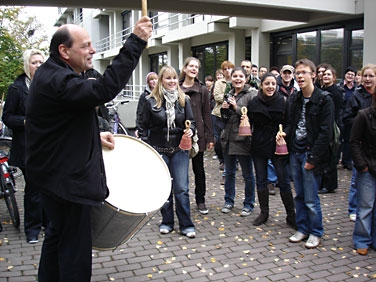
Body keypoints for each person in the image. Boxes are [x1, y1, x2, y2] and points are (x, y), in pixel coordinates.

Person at [25, 18, 152, 282]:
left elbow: (59, 125)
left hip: (50, 178)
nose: (92, 50)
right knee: (75, 251)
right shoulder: (60, 80)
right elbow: (105, 88)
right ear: (64, 51)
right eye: (85, 46)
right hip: (66, 185)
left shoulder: (50, 74)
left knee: (57, 236)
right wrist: (136, 41)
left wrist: (94, 134)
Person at [277, 58, 334, 249]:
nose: (300, 76)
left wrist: (313, 158)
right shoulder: (295, 98)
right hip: (295, 152)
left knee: (311, 197)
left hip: (311, 154)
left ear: (313, 74)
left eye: (303, 72)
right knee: (299, 194)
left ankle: (316, 232)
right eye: (297, 73)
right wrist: (284, 132)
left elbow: (326, 133)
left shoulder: (324, 99)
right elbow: (292, 124)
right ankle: (302, 228)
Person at [138, 65, 196, 238]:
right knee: (165, 189)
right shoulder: (150, 100)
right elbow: (142, 126)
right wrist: (147, 146)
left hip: (179, 149)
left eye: (173, 78)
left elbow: (190, 121)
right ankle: (167, 222)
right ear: (161, 80)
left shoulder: (184, 99)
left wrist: (191, 130)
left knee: (181, 188)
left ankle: (186, 224)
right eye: (167, 78)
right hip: (159, 149)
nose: (171, 81)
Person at [2, 49, 47, 244]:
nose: (38, 65)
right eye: (34, 62)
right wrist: (25, 122)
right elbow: (7, 117)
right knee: (35, 188)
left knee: (49, 187)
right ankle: (32, 229)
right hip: (28, 147)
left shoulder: (49, 86)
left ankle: (47, 222)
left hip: (49, 146)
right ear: (26, 65)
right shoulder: (17, 88)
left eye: (41, 62)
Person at [247, 72, 296, 228]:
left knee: (283, 180)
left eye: (273, 84)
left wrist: (285, 133)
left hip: (278, 145)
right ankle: (264, 213)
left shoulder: (284, 101)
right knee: (261, 179)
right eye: (267, 84)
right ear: (261, 85)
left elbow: (289, 123)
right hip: (259, 144)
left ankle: (291, 214)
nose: (270, 87)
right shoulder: (254, 102)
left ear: (277, 85)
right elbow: (247, 122)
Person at [179, 57, 214, 214]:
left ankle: (201, 200)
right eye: (191, 66)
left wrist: (210, 137)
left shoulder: (203, 90)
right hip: (181, 134)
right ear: (185, 68)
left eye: (196, 67)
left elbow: (207, 114)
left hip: (198, 134)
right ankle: (182, 200)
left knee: (199, 170)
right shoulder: (177, 88)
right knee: (181, 170)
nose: (193, 69)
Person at [220, 67, 257, 216]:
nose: (237, 79)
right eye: (235, 76)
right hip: (228, 138)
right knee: (229, 172)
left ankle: (249, 203)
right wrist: (224, 109)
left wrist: (236, 107)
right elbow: (225, 118)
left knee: (247, 174)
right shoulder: (228, 94)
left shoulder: (251, 94)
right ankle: (229, 201)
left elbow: (251, 114)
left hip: (243, 139)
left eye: (241, 76)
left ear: (246, 78)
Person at [343, 64, 376, 222]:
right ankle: (353, 208)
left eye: (371, 76)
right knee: (357, 179)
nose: (368, 79)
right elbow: (347, 117)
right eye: (365, 76)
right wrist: (362, 122)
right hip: (361, 145)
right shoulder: (357, 96)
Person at [350, 94, 376, 256]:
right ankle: (362, 239)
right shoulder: (364, 115)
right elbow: (354, 141)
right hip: (367, 166)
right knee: (366, 206)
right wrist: (362, 165)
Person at [318, 64, 344, 194]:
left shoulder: (336, 92)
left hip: (333, 126)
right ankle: (324, 183)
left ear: (334, 77)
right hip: (324, 124)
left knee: (331, 156)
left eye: (329, 74)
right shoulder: (322, 89)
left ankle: (329, 185)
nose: (326, 76)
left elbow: (337, 111)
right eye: (324, 75)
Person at [212, 61, 234, 174]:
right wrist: (229, 98)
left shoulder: (236, 81)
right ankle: (222, 159)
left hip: (232, 115)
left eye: (229, 68)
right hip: (218, 114)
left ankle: (231, 162)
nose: (227, 71)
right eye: (224, 69)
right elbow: (217, 96)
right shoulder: (219, 82)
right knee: (219, 140)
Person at [337, 66, 358, 170]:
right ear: (345, 75)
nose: (350, 76)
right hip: (340, 115)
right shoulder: (339, 86)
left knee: (349, 140)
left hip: (350, 117)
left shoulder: (357, 88)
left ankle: (346, 161)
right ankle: (336, 160)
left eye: (352, 75)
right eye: (348, 74)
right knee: (338, 139)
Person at [135, 71, 158, 135]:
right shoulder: (144, 96)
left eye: (156, 79)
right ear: (148, 82)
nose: (154, 81)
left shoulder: (162, 94)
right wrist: (138, 128)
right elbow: (140, 112)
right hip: (148, 128)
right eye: (151, 79)